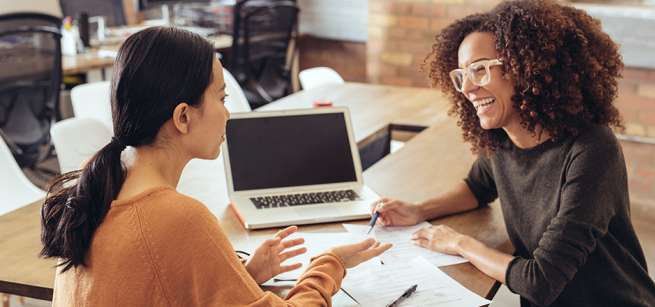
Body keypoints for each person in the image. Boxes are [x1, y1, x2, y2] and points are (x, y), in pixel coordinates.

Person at [40, 26, 391, 306]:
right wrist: (330, 264)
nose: (228, 112)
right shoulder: (177, 218)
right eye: (222, 99)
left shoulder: (97, 183)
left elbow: (154, 286)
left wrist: (241, 275)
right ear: (182, 116)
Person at [370, 0, 655, 306]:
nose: (467, 88)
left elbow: (540, 281)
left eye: (480, 69)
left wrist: (458, 242)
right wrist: (418, 210)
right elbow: (477, 187)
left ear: (528, 69)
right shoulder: (503, 141)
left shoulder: (592, 149)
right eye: (462, 75)